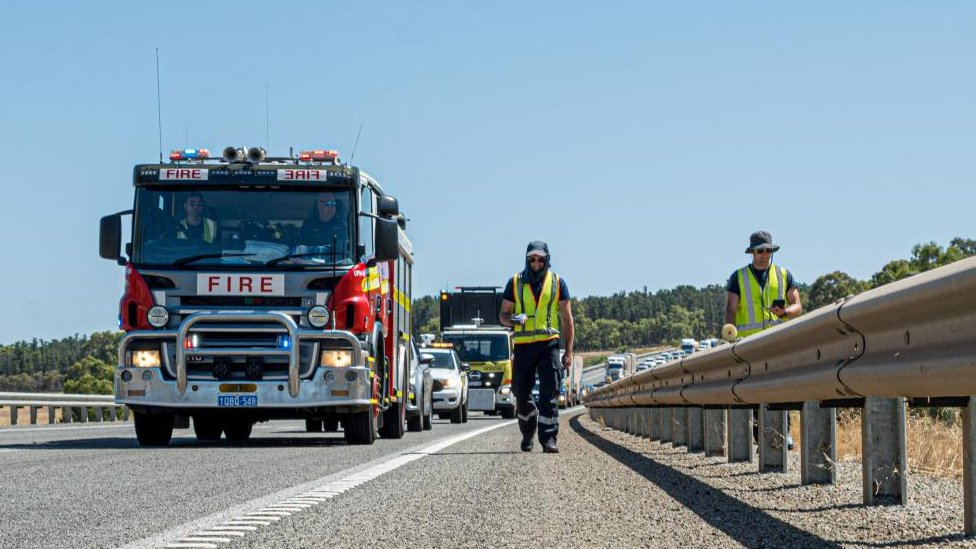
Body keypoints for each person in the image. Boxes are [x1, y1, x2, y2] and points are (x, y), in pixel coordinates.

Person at [725, 230, 802, 449]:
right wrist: (729, 333)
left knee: (780, 388)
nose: (764, 255)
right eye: (760, 251)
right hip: (749, 345)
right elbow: (731, 308)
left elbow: (797, 306)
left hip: (777, 343)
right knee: (755, 390)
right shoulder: (738, 277)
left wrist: (785, 311)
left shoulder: (784, 274)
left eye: (768, 251)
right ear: (752, 253)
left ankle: (783, 433)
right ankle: (762, 437)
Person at [499, 241, 575, 454]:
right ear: (527, 259)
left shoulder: (558, 283)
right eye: (532, 259)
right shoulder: (514, 282)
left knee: (549, 391)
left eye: (540, 259)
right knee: (521, 394)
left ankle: (549, 439)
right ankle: (527, 432)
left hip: (549, 344)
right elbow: (503, 315)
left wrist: (568, 352)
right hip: (523, 346)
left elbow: (567, 320)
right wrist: (513, 319)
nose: (536, 263)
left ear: (547, 259)